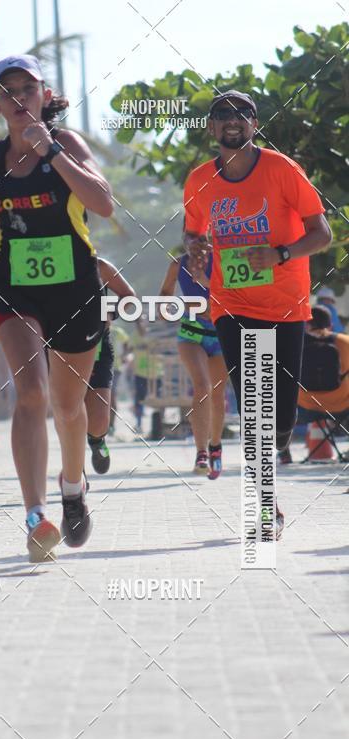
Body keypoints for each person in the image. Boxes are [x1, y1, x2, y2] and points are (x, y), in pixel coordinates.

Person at [0, 54, 113, 562]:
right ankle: (34, 515)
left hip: (74, 286)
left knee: (68, 408)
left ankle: (73, 488)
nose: (20, 97)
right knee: (31, 393)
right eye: (9, 90)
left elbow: (104, 202)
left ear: (44, 97)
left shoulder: (67, 144)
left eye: (29, 88)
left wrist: (51, 154)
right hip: (13, 284)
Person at [184, 90, 332, 538]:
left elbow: (321, 233)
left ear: (254, 125)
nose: (234, 120)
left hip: (286, 306)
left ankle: (270, 466)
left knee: (281, 417)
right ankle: (265, 504)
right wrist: (195, 252)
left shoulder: (282, 169)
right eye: (223, 115)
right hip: (231, 304)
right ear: (211, 129)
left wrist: (281, 253)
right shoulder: (198, 181)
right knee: (255, 405)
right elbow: (193, 235)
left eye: (243, 114)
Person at [159, 251, 228, 478]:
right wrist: (168, 307)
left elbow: (238, 292)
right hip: (191, 334)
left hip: (221, 335)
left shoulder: (224, 257)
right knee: (202, 387)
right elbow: (165, 293)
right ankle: (201, 453)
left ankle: (215, 446)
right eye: (192, 235)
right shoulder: (177, 264)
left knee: (217, 394)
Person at [85, 257, 135, 473]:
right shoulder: (51, 260)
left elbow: (129, 298)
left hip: (98, 347)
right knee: (69, 411)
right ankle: (75, 474)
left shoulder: (99, 266)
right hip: (59, 345)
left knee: (98, 422)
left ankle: (97, 442)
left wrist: (110, 313)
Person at [130, 314, 150, 433]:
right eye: (138, 322)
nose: (140, 324)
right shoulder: (134, 336)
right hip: (140, 372)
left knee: (158, 399)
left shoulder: (153, 334)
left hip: (156, 372)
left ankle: (160, 421)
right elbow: (130, 350)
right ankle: (138, 424)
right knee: (139, 399)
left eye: (142, 321)